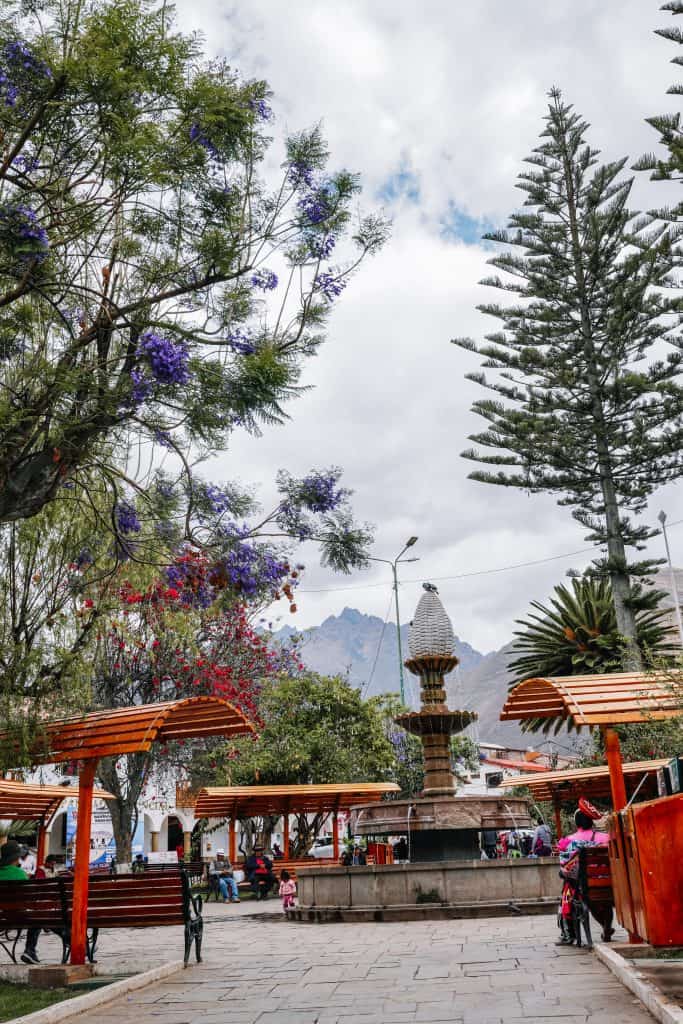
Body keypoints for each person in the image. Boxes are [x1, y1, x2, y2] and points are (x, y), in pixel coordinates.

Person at [556, 797, 609, 945]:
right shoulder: (606, 838)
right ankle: (607, 926)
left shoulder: (568, 841)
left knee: (567, 884)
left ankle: (568, 933)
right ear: (591, 821)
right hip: (609, 884)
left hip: (583, 888)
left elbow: (566, 869)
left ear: (577, 823)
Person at [0, 840, 41, 964]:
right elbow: (29, 898)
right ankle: (30, 951)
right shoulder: (20, 874)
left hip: (2, 916)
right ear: (16, 858)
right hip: (20, 916)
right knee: (39, 917)